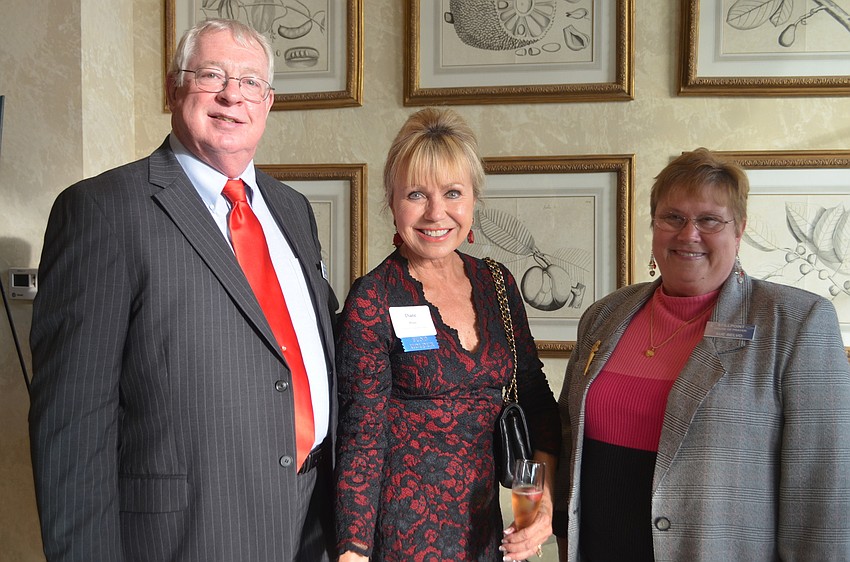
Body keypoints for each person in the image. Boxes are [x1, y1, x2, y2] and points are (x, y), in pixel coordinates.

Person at [28, 18, 337, 562]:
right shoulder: (103, 210)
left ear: (268, 103)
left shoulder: (292, 209)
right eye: (212, 75)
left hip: (309, 523)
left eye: (250, 83)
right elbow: (72, 427)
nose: (232, 96)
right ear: (174, 88)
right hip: (187, 537)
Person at [553, 148, 850, 561]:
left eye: (709, 220)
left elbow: (824, 488)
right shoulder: (604, 315)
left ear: (739, 229)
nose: (688, 234)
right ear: (654, 225)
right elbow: (569, 438)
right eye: (673, 217)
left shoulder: (796, 322)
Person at [334, 107, 561, 561]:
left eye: (452, 193)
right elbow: (362, 437)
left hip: (482, 537)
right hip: (402, 538)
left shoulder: (497, 284)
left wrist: (541, 503)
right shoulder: (374, 297)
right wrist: (353, 550)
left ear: (473, 199)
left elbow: (534, 401)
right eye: (416, 194)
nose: (436, 213)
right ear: (392, 202)